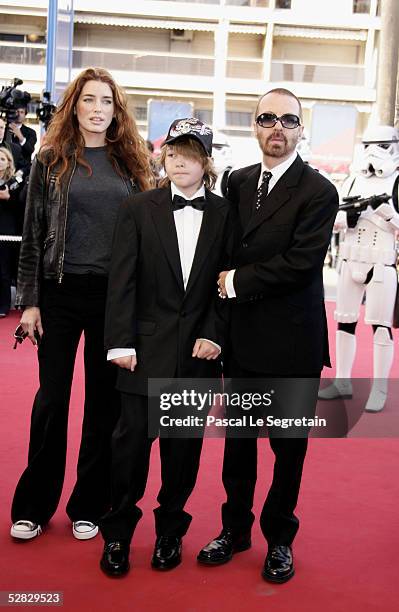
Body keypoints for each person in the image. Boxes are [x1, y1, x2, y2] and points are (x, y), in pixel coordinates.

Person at [197, 88, 338, 583]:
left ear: (301, 129)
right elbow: (221, 249)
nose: (276, 127)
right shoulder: (235, 182)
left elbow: (301, 264)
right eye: (266, 118)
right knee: (238, 445)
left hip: (292, 342)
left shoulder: (319, 191)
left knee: (287, 449)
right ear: (254, 127)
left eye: (287, 119)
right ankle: (233, 531)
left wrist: (237, 280)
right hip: (241, 339)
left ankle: (280, 540)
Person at [10, 67, 153, 541]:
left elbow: (146, 240)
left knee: (102, 404)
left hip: (113, 297)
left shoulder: (133, 163)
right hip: (59, 293)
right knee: (50, 401)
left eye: (106, 102)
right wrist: (30, 302)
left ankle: (89, 502)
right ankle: (33, 505)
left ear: (117, 111)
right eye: (89, 100)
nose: (97, 109)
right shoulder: (50, 159)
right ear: (74, 106)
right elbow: (31, 238)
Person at [99, 117, 233, 577]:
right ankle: (116, 535)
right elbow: (122, 279)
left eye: (190, 154)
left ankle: (170, 533)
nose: (178, 161)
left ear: (206, 162)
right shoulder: (138, 207)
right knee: (129, 452)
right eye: (172, 152)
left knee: (181, 456)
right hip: (141, 354)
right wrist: (119, 341)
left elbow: (227, 284)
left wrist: (216, 333)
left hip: (196, 357)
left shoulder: (225, 214)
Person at [319, 125, 399, 412]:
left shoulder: (397, 182)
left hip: (381, 262)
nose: (373, 153)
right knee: (344, 322)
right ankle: (343, 381)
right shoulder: (353, 181)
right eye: (368, 145)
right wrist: (347, 217)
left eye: (381, 146)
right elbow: (335, 218)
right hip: (351, 259)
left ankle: (379, 388)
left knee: (380, 327)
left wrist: (386, 213)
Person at [0, 147, 23, 316]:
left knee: (3, 269)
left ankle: (4, 305)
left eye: (2, 159)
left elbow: (20, 206)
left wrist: (8, 198)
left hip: (7, 231)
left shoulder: (15, 182)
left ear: (9, 162)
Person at [7, 103, 37, 172]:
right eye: (17, 112)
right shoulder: (3, 129)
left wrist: (21, 137)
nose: (19, 114)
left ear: (25, 115)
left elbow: (30, 150)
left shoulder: (31, 132)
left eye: (22, 112)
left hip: (22, 171)